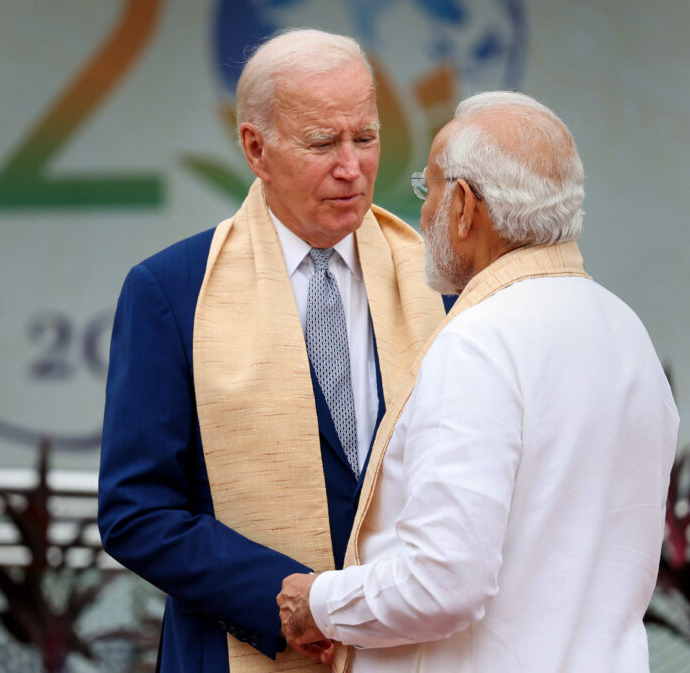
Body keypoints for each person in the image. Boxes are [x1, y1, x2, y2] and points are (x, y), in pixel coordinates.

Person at [276, 90, 679, 673]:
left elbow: (443, 583)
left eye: (429, 188)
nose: (423, 212)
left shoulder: (479, 340)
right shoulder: (625, 330)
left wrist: (319, 602)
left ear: (463, 206)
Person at [98, 29, 451, 673]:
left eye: (366, 138)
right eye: (323, 142)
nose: (352, 166)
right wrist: (288, 600)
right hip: (242, 649)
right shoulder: (171, 291)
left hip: (415, 650)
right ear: (256, 149)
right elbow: (137, 510)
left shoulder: (440, 284)